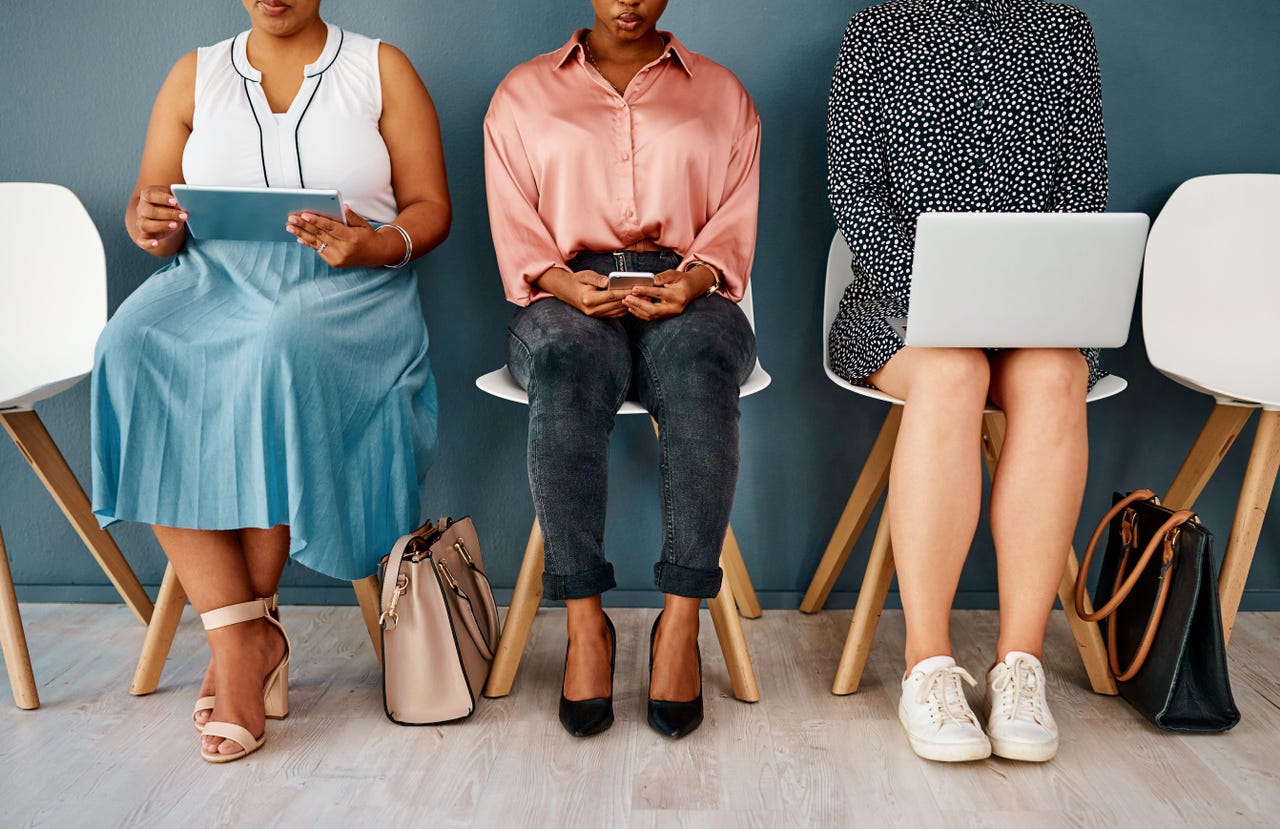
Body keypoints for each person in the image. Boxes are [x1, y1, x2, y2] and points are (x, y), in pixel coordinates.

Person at [92, 0, 450, 763]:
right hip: (212, 279)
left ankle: (240, 654)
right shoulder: (195, 74)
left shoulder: (380, 69)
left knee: (277, 351)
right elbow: (149, 206)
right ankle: (246, 632)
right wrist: (146, 219)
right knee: (128, 344)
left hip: (350, 289)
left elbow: (432, 208)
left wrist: (373, 242)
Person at [827, 0, 1108, 763]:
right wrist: (937, 303)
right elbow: (854, 192)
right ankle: (929, 664)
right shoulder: (878, 28)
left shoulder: (1063, 29)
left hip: (1033, 306)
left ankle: (1021, 666)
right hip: (899, 304)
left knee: (1058, 374)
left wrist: (1030, 301)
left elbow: (1082, 192)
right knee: (953, 370)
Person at [484, 0, 760, 739]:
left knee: (703, 364)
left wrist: (695, 279)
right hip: (565, 290)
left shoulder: (722, 93)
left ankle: (679, 626)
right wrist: (563, 281)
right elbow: (514, 219)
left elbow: (733, 217)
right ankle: (585, 626)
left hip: (686, 287)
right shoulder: (522, 93)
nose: (628, 1)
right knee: (569, 363)